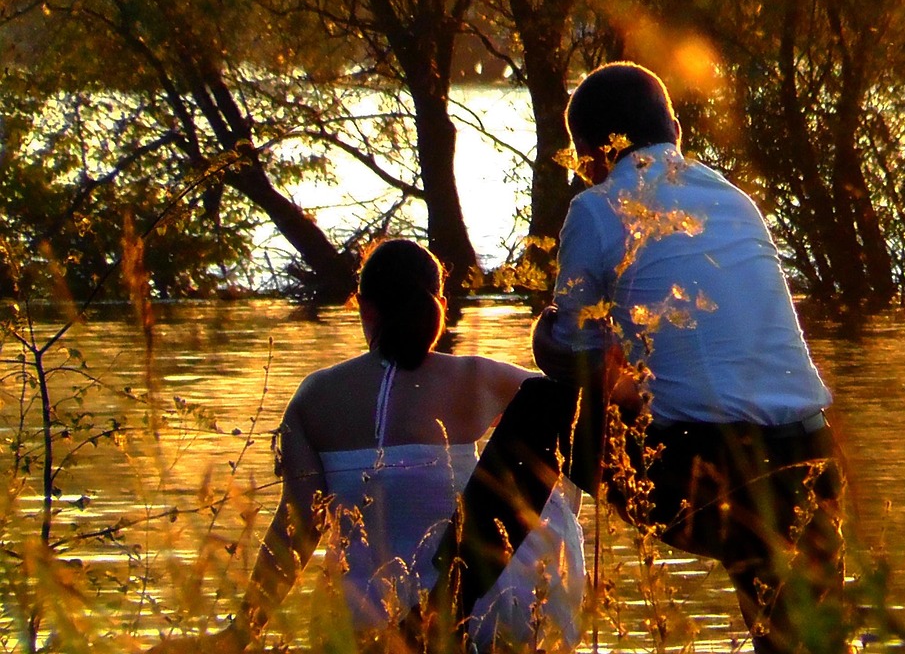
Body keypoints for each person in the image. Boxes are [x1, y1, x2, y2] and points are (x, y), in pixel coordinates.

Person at [428, 62, 847, 654]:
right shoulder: (736, 201)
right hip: (811, 462)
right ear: (675, 129)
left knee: (540, 411)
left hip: (711, 473)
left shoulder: (598, 208)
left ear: (592, 154)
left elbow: (569, 351)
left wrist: (553, 330)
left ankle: (435, 621)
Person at [195, 239, 586, 653]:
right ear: (439, 304)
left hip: (356, 623)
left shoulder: (314, 397)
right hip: (470, 618)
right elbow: (577, 408)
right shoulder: (479, 379)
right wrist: (550, 346)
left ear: (364, 307)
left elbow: (295, 532)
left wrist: (244, 630)